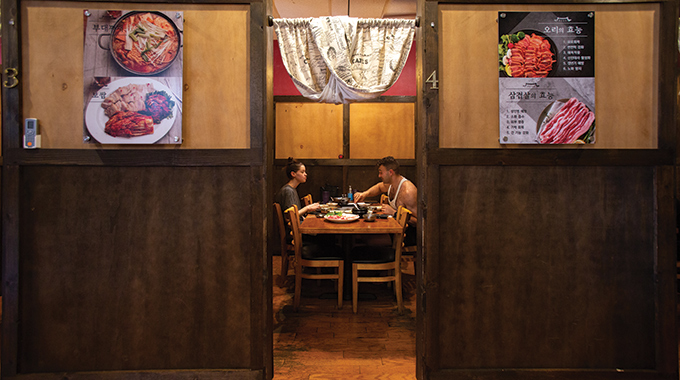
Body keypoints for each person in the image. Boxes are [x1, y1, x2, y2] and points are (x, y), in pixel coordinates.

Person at [353, 156, 417, 246]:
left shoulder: (408, 191)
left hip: (404, 236)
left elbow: (419, 221)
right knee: (359, 234)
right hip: (393, 229)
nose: (379, 176)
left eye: (381, 173)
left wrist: (394, 213)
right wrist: (364, 194)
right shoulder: (391, 184)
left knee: (366, 237)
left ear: (390, 172)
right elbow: (379, 187)